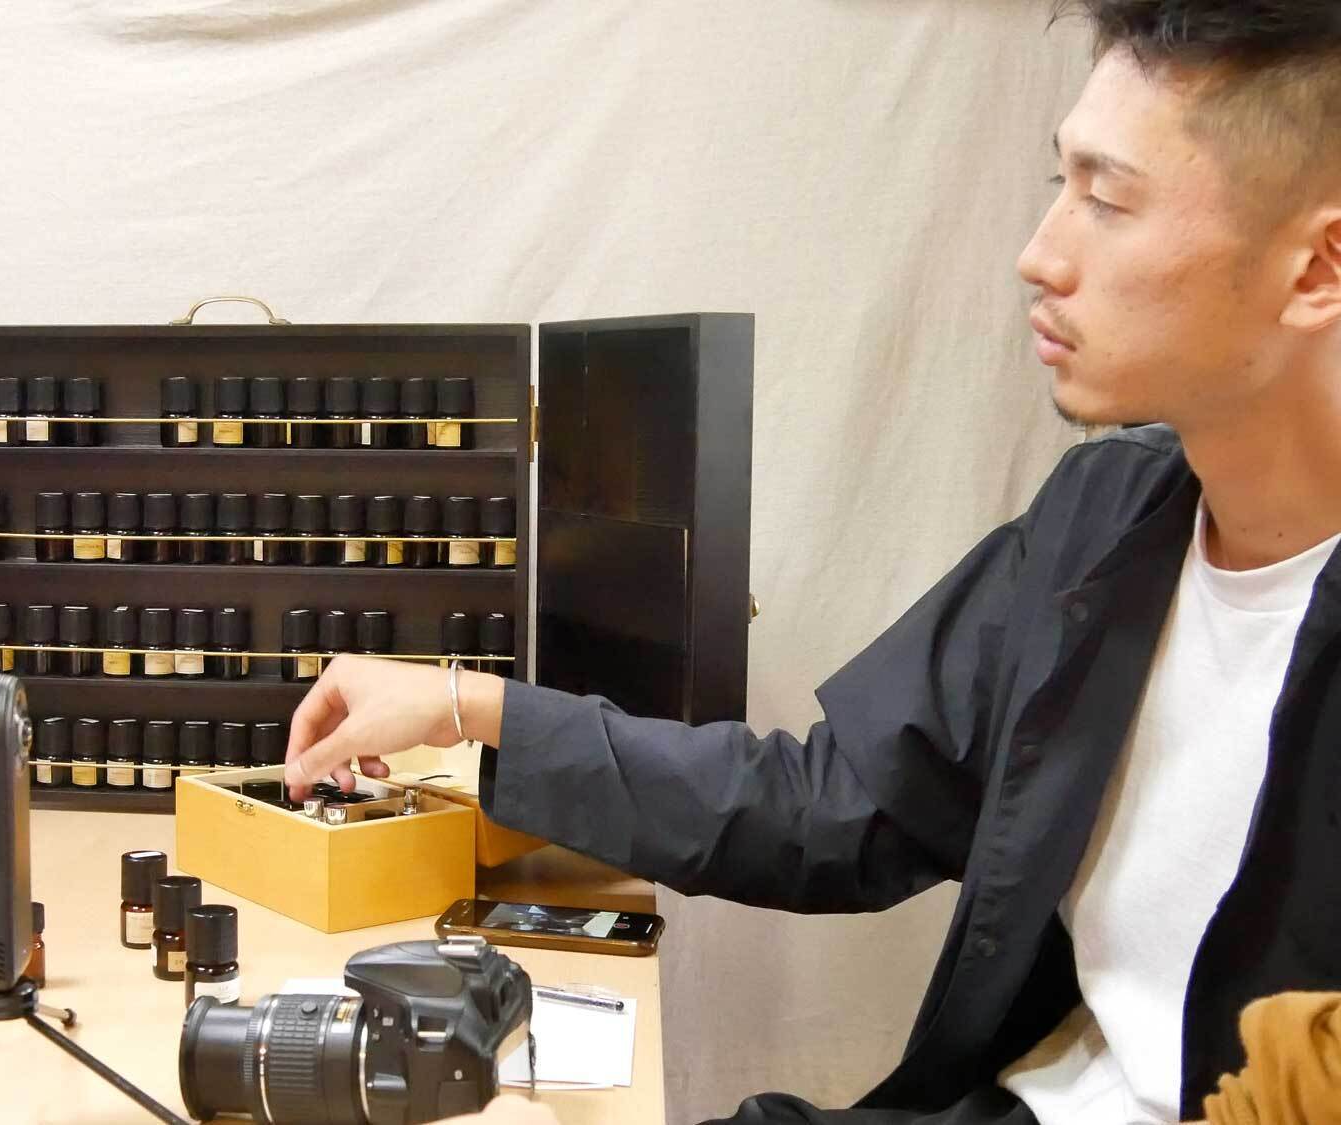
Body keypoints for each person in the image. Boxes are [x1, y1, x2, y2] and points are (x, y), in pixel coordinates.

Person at [285, 1, 1341, 1122]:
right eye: (1057, 184)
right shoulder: (1106, 517)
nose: (1039, 256)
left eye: (1108, 200)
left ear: (1318, 267)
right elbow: (832, 806)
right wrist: (473, 706)